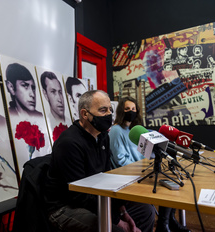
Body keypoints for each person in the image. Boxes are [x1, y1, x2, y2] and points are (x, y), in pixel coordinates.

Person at [44, 90, 155, 232]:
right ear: (84, 114)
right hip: (65, 207)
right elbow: (79, 195)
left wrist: (122, 212)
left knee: (146, 211)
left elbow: (107, 177)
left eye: (110, 109)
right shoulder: (69, 143)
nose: (109, 114)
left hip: (95, 198)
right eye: (103, 110)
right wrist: (117, 220)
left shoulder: (103, 136)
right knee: (114, 229)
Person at [109, 96, 190, 232]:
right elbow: (120, 160)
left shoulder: (135, 130)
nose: (131, 111)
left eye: (134, 109)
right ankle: (163, 225)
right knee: (163, 183)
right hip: (126, 175)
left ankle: (169, 221)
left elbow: (144, 154)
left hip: (139, 171)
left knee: (170, 179)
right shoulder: (116, 130)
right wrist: (141, 168)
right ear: (121, 111)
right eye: (127, 109)